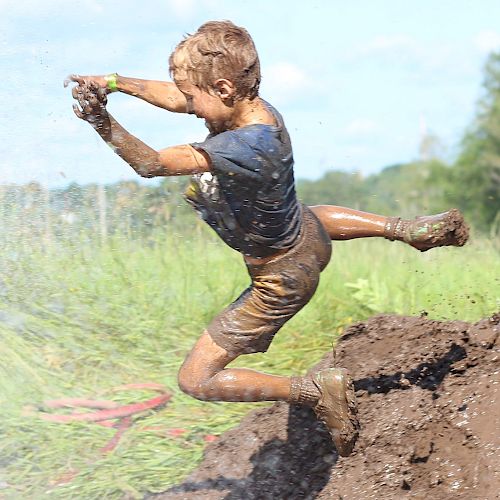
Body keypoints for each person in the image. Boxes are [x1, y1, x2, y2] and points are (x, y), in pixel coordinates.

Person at [67, 20, 468, 457]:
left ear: (222, 88)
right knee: (301, 213)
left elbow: (152, 164)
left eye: (193, 98)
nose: (190, 108)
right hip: (308, 235)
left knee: (196, 379)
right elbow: (175, 96)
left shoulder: (244, 146)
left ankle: (313, 391)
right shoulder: (255, 109)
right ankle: (405, 229)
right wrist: (114, 82)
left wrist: (102, 123)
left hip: (279, 279)